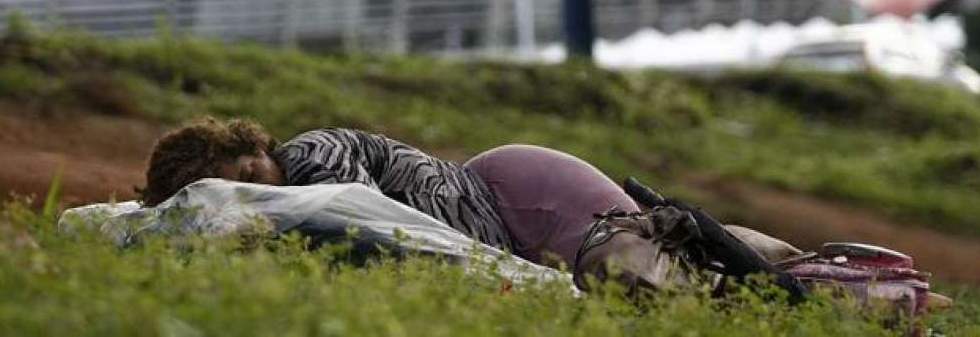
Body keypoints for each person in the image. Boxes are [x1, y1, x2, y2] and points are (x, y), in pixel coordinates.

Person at [141, 117, 800, 291]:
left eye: (252, 172)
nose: (263, 186)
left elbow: (363, 216)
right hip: (510, 227)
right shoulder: (284, 212)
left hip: (519, 195)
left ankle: (822, 285)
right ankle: (813, 275)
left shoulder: (310, 160)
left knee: (646, 278)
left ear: (258, 148)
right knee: (662, 274)